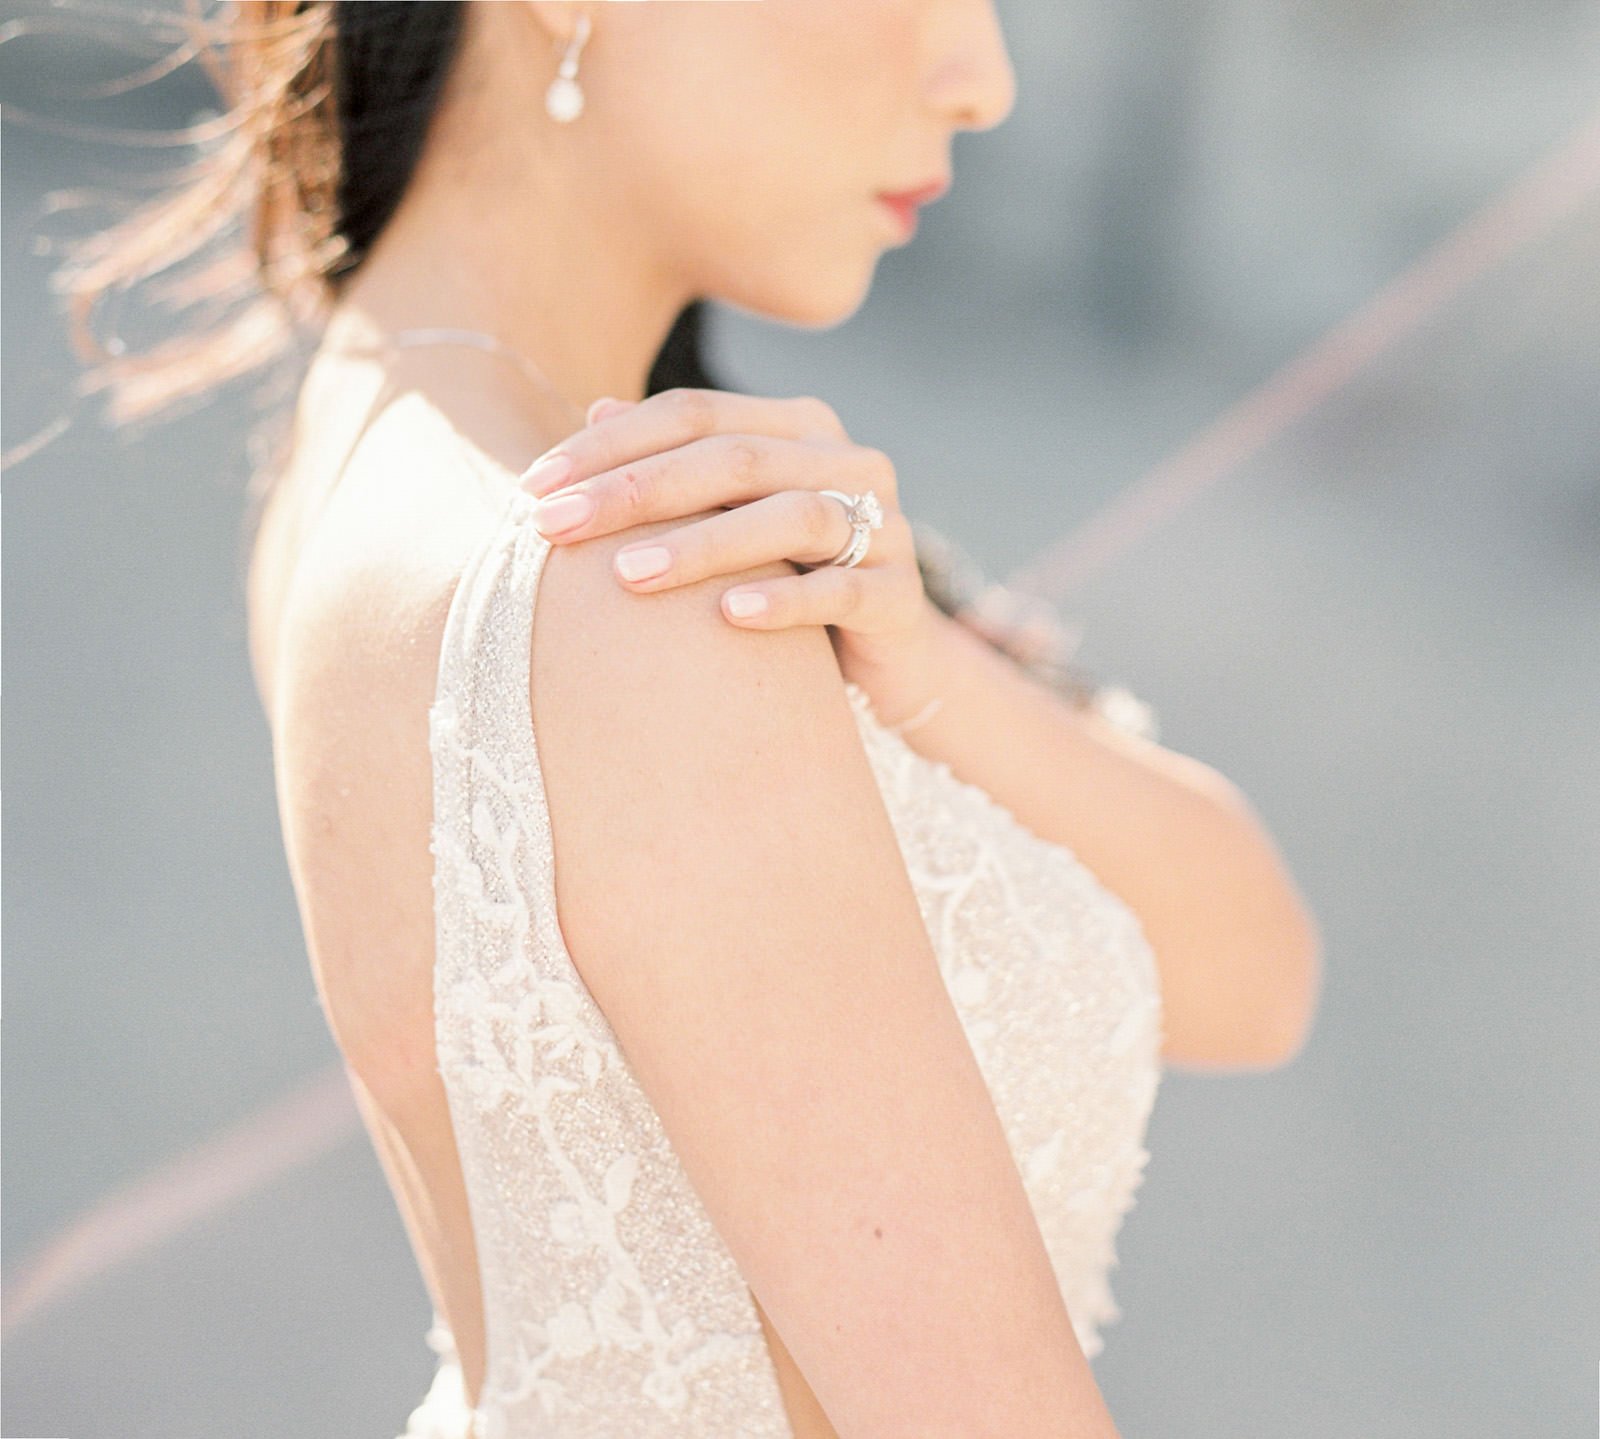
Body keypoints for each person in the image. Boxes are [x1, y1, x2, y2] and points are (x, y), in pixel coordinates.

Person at [53, 3, 1322, 1434]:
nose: (983, 80)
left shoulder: (424, 432)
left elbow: (1255, 974)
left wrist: (926, 672)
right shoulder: (628, 581)